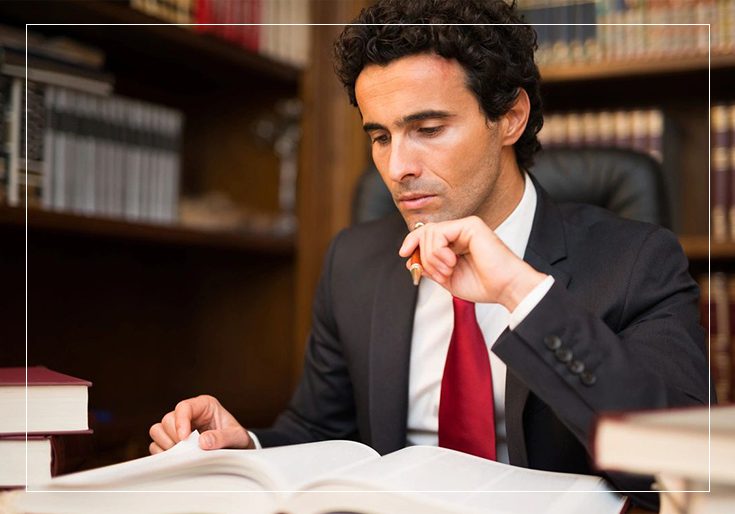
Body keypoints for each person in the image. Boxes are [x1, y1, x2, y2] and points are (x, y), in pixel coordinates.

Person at [149, 0, 709, 508]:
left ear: (510, 117)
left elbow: (681, 466)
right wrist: (243, 444)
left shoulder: (637, 260)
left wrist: (521, 292)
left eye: (428, 129)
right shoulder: (354, 262)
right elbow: (322, 432)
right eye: (382, 136)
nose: (398, 168)